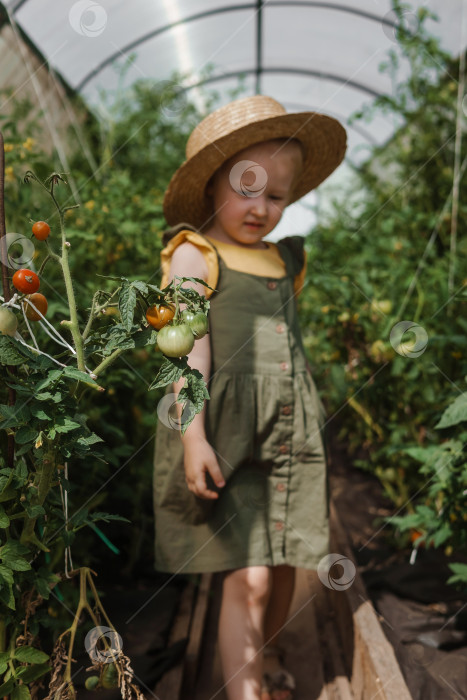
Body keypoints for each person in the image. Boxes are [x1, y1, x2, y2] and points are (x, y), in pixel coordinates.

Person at [153, 94, 346, 700]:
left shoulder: (283, 260)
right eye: (247, 188)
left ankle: (266, 656)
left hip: (288, 429)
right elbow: (190, 349)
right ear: (212, 184)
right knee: (251, 577)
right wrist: (193, 435)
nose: (261, 209)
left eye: (277, 197)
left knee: (288, 559)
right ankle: (247, 689)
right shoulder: (194, 253)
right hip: (226, 429)